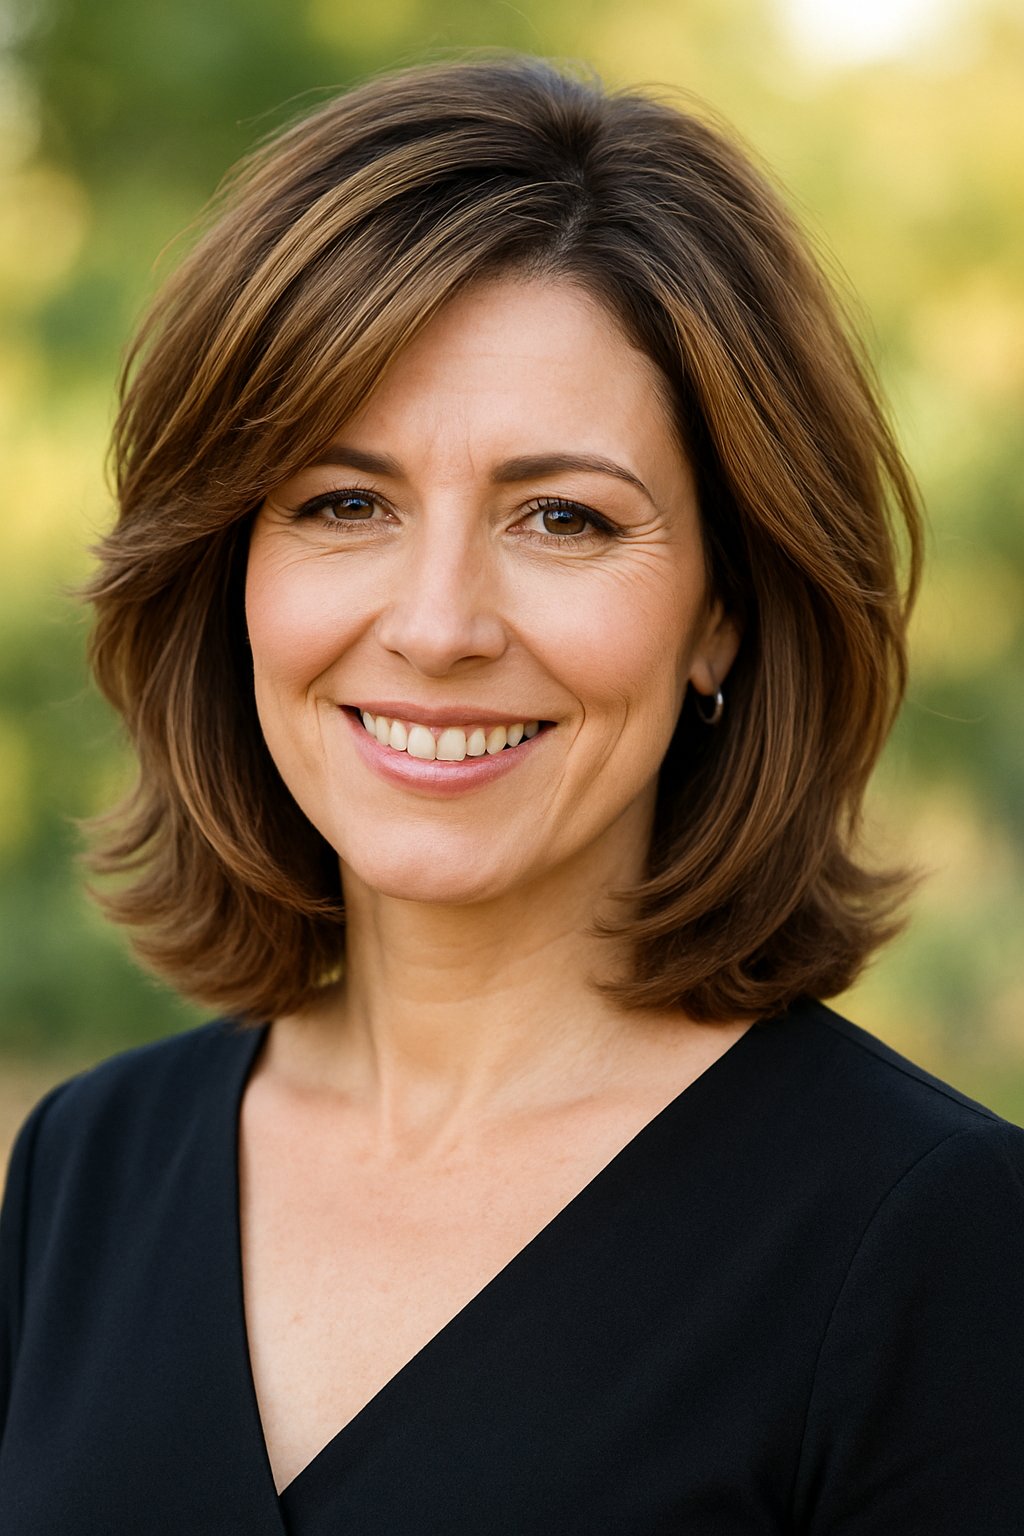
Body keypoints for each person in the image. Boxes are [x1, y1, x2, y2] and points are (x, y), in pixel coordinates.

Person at [1, 53, 1022, 1535]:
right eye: (343, 503)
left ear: (725, 610)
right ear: (229, 566)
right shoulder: (89, 1170)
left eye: (563, 518)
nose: (436, 623)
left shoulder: (931, 1241)